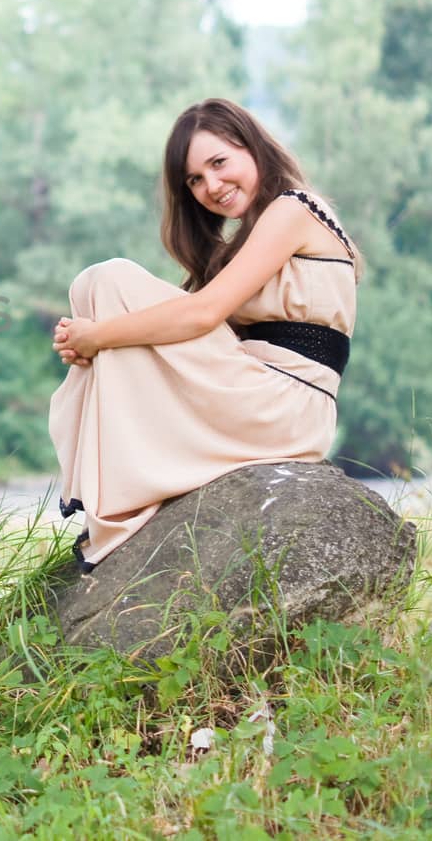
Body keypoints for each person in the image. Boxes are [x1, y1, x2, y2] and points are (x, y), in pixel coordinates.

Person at [48, 98, 362, 571]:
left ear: (252, 147)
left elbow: (202, 314)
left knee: (112, 280)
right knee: (98, 286)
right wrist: (96, 339)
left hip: (287, 402)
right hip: (253, 389)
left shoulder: (295, 208)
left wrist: (99, 337)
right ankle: (123, 493)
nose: (211, 186)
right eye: (194, 179)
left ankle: (122, 499)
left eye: (219, 163)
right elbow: (189, 324)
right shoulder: (242, 244)